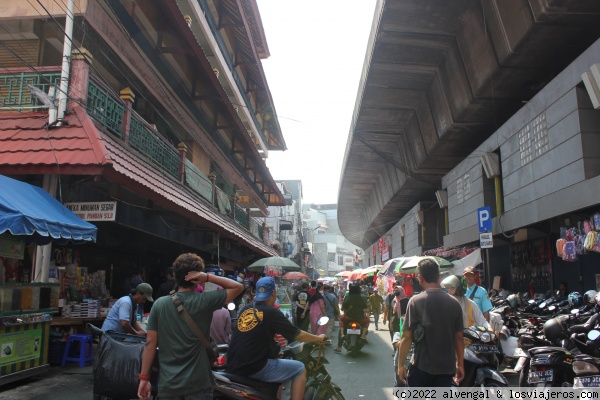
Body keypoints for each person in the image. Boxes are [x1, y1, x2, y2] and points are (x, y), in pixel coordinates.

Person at [137, 253, 243, 400]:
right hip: (198, 384)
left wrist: (144, 378)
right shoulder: (205, 301)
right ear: (196, 278)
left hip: (169, 384)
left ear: (174, 275)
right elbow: (238, 287)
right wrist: (207, 277)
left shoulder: (159, 304)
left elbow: (150, 343)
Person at [226, 277, 326, 400]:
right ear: (273, 293)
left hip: (234, 364)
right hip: (254, 366)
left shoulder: (245, 309)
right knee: (299, 368)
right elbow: (298, 335)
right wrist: (319, 338)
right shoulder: (272, 312)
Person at [397, 258, 464, 387]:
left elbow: (407, 337)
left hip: (421, 367)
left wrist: (401, 365)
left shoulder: (415, 302)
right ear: (439, 277)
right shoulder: (454, 303)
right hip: (447, 368)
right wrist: (460, 364)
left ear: (420, 278)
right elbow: (459, 337)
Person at [334, 283, 369, 352]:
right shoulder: (362, 297)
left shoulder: (347, 297)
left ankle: (339, 346)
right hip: (360, 318)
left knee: (341, 321)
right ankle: (363, 335)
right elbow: (365, 308)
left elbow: (343, 308)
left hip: (348, 318)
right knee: (367, 321)